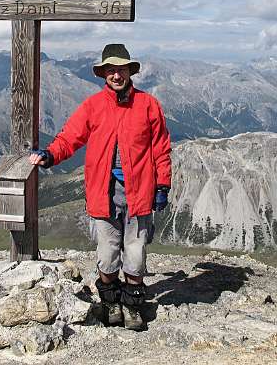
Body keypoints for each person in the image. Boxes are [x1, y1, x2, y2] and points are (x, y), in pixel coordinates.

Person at [29, 43, 172, 331]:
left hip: (140, 192)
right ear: (103, 73)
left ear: (130, 72)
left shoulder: (148, 105)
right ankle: (110, 303)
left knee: (135, 253)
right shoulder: (93, 106)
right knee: (107, 253)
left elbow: (161, 148)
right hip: (103, 193)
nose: (116, 75)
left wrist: (162, 185)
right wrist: (52, 154)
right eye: (111, 70)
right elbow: (71, 137)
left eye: (121, 69)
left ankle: (132, 306)